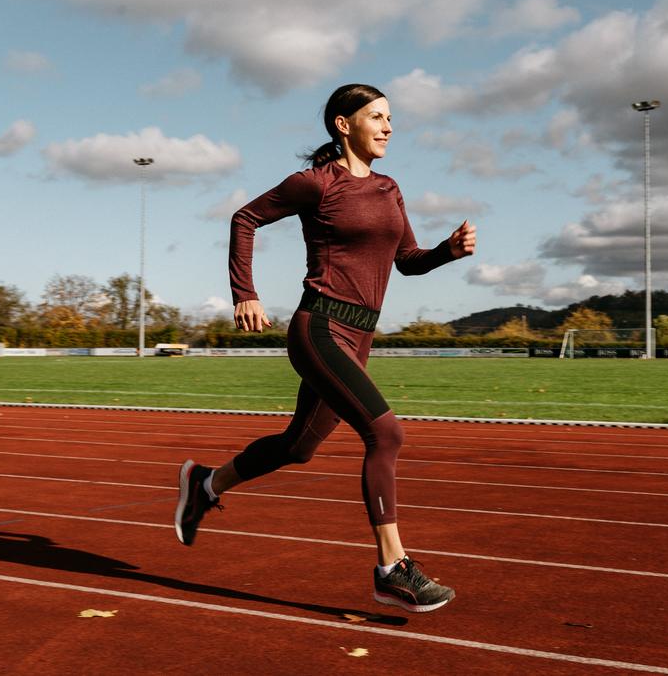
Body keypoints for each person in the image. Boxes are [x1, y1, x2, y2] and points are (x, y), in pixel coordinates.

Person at [174, 83, 476, 613]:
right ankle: (392, 569)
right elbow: (244, 218)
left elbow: (407, 260)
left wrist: (447, 252)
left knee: (298, 448)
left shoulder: (389, 188)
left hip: (360, 336)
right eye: (377, 117)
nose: (388, 127)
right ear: (344, 124)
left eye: (390, 118)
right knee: (386, 434)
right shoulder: (315, 184)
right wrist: (245, 293)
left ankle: (205, 484)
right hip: (320, 329)